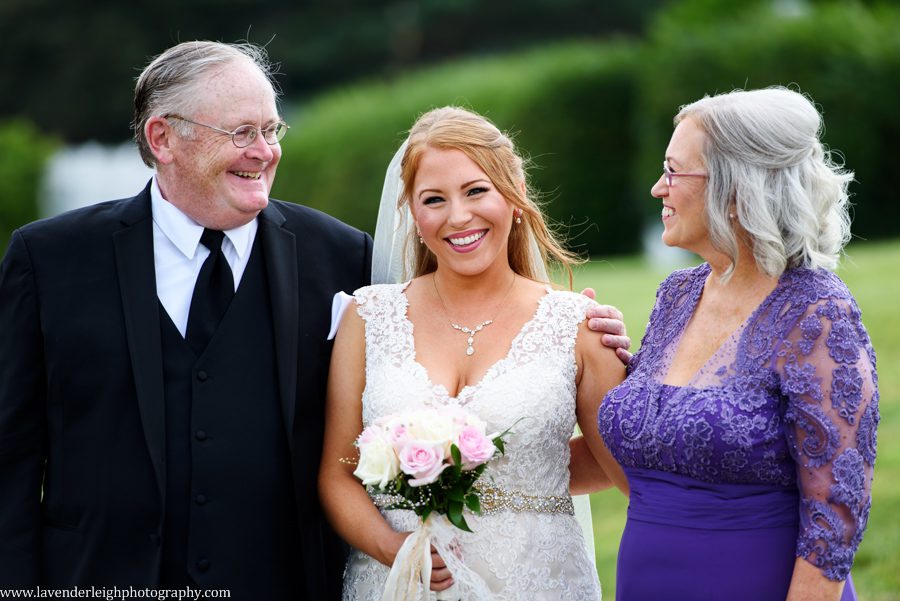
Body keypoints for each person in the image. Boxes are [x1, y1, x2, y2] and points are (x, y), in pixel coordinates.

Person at [0, 41, 372, 599]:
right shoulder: (48, 259)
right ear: (163, 138)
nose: (265, 152)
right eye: (242, 132)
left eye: (272, 131)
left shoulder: (342, 255)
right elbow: (11, 456)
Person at [319, 106, 628, 600]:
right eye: (434, 199)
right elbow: (338, 470)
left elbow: (626, 468)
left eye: (476, 190)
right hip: (396, 584)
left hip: (538, 583)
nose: (458, 216)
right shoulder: (368, 316)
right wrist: (393, 548)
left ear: (515, 196)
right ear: (413, 215)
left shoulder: (577, 325)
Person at [596, 87, 879, 600]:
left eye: (674, 171)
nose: (659, 187)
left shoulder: (817, 314)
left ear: (735, 186)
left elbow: (836, 513)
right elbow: (657, 437)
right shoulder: (678, 295)